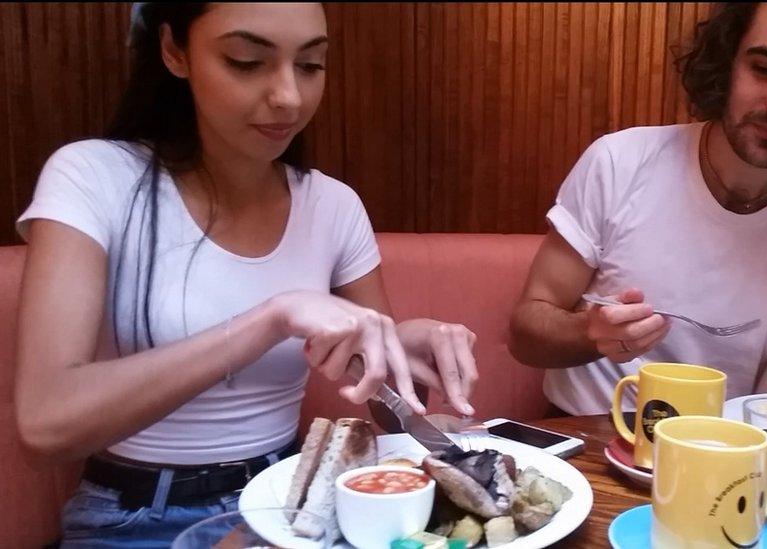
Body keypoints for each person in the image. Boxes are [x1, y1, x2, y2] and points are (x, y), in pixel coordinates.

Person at [14, 4, 477, 547]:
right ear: (174, 50)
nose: (289, 97)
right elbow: (44, 425)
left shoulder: (332, 204)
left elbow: (379, 389)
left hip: (293, 500)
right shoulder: (93, 177)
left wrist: (402, 348)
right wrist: (272, 317)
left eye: (310, 65)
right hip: (137, 518)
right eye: (247, 61)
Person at [508, 2, 767, 416]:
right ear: (728, 59)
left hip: (730, 454)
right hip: (586, 438)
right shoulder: (619, 163)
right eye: (766, 69)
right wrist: (589, 333)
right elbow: (525, 333)